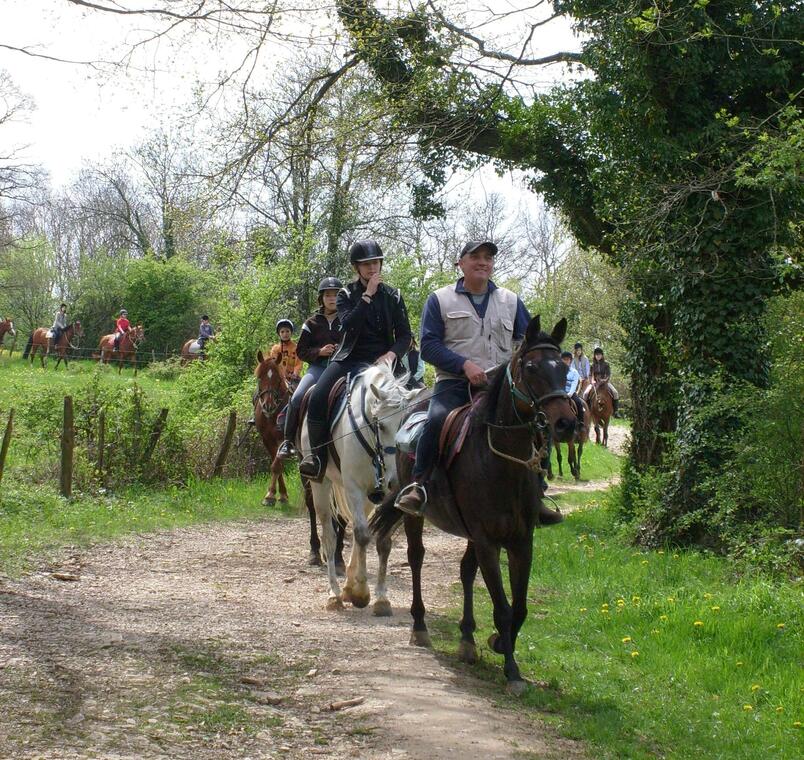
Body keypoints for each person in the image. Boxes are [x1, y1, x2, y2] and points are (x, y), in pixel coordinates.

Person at [394, 240, 561, 521]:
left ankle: (538, 492)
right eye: (476, 257)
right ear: (460, 263)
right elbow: (430, 346)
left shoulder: (510, 300)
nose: (483, 262)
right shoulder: (440, 299)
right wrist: (464, 365)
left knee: (539, 422)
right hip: (454, 384)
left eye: (488, 258)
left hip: (503, 385)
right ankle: (419, 485)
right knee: (435, 420)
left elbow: (528, 341)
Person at [298, 240, 412, 483]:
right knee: (317, 396)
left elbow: (405, 335)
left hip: (386, 362)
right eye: (366, 264)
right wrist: (368, 295)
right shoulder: (345, 295)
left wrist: (392, 355)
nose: (373, 268)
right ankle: (316, 459)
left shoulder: (394, 296)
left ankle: (419, 467)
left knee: (419, 399)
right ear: (356, 268)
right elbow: (348, 325)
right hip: (350, 358)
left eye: (376, 263)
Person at [276, 277, 343, 460]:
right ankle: (288, 442)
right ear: (321, 298)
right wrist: (320, 352)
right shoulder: (311, 323)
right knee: (297, 397)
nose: (332, 299)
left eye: (336, 295)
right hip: (318, 368)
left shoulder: (348, 319)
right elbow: (301, 351)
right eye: (328, 295)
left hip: (343, 368)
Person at [583, 346, 620, 416]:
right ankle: (586, 410)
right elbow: (590, 375)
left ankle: (616, 411)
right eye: (596, 355)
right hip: (595, 383)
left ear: (602, 355)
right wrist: (592, 381)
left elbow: (608, 375)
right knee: (585, 393)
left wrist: (604, 380)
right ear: (594, 356)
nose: (598, 356)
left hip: (605, 383)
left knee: (615, 393)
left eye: (599, 354)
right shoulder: (592, 365)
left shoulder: (606, 364)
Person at [269, 319, 303, 385]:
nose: (285, 334)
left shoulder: (296, 348)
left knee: (300, 393)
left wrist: (295, 374)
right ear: (279, 334)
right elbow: (273, 364)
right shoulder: (275, 349)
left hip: (293, 379)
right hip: (279, 378)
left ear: (291, 332)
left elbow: (299, 364)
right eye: (282, 332)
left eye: (287, 331)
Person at [561, 350, 586, 431]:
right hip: (559, 393)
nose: (566, 361)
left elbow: (574, 385)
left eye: (567, 360)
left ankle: (581, 423)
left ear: (570, 361)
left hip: (570, 393)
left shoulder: (574, 372)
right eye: (564, 359)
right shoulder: (558, 371)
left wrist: (569, 394)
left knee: (579, 403)